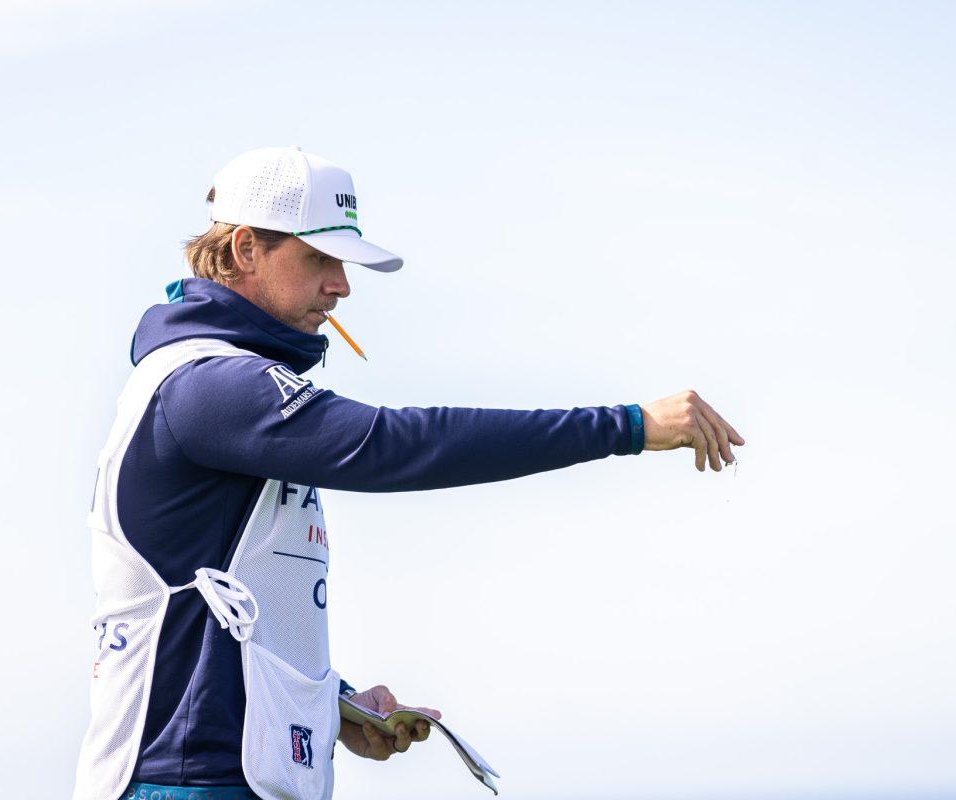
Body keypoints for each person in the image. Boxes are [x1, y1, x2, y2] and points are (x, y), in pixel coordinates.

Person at [73, 145, 744, 800]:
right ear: (247, 249)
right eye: (319, 258)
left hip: (223, 772)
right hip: (188, 778)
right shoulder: (210, 384)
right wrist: (624, 426)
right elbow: (393, 445)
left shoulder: (219, 383)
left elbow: (232, 599)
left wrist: (330, 705)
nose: (340, 284)